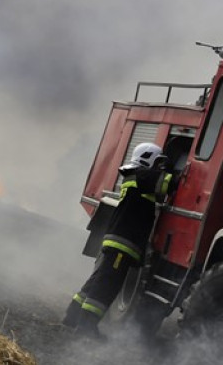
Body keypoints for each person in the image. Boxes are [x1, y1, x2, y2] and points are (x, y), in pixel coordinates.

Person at [63, 141, 174, 339]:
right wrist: (172, 170)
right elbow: (170, 183)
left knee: (98, 278)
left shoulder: (136, 176)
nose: (159, 167)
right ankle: (87, 326)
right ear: (147, 159)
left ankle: (72, 315)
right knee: (107, 284)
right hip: (124, 242)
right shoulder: (141, 176)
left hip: (119, 239)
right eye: (158, 162)